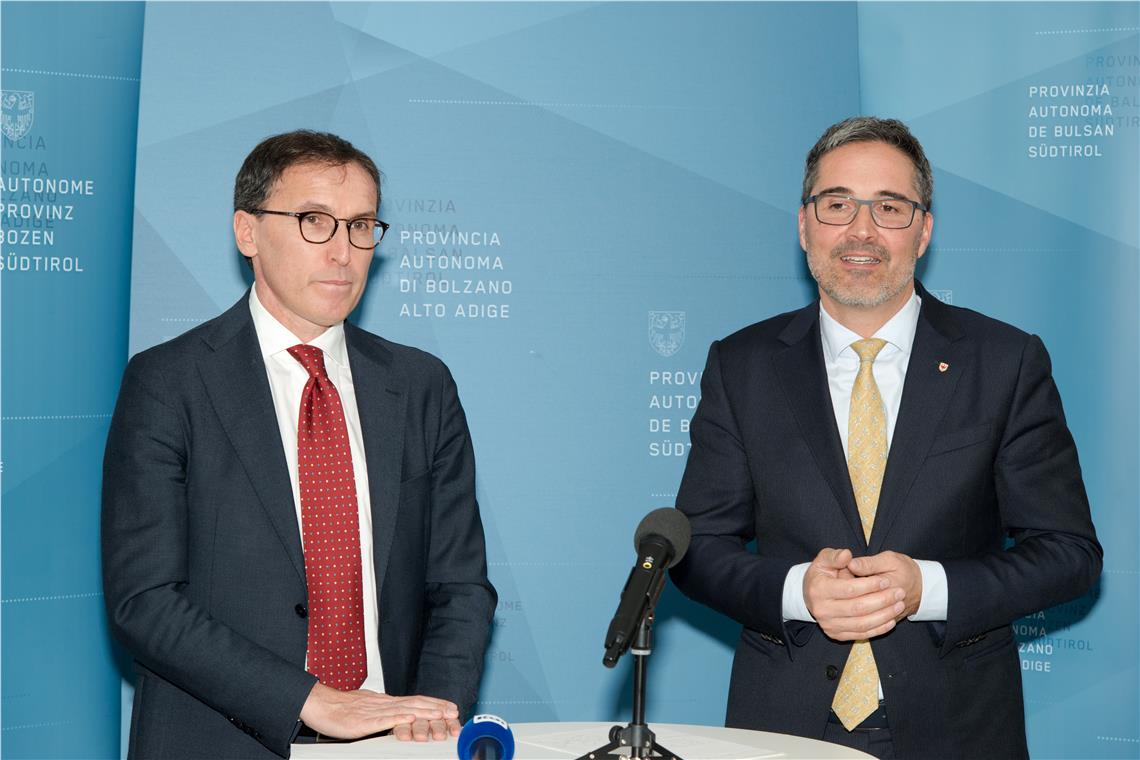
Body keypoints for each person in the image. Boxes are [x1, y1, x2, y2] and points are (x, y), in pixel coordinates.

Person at [670, 116, 1101, 759]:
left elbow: (1069, 553)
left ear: (923, 231)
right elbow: (696, 547)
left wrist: (927, 588)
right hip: (784, 727)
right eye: (837, 204)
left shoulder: (1004, 361)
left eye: (890, 207)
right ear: (804, 225)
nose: (862, 230)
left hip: (959, 728)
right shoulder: (742, 366)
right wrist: (799, 592)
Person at [102, 130, 496, 759]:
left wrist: (427, 724)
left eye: (361, 225)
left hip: (392, 744)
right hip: (217, 742)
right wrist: (310, 700)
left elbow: (460, 586)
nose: (343, 251)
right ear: (248, 232)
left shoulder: (421, 385)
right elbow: (144, 601)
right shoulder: (169, 382)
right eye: (315, 221)